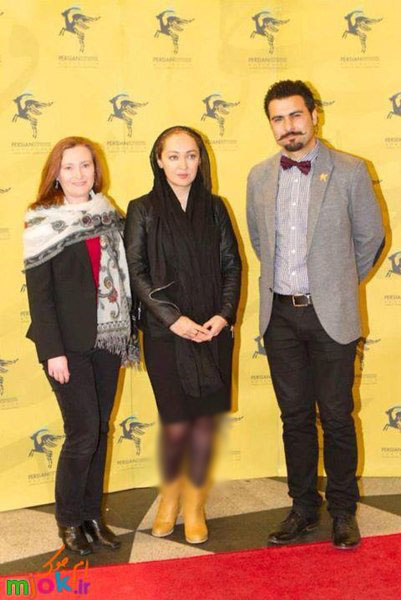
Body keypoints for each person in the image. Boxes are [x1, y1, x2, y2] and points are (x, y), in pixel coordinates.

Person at [246, 80, 385, 549]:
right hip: (280, 317)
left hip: (331, 316)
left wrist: (335, 283)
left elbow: (371, 239)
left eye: (295, 115)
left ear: (314, 115)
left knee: (338, 416)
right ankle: (303, 507)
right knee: (295, 417)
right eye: (278, 118)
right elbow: (261, 242)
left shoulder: (350, 170)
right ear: (271, 125)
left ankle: (343, 511)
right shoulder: (259, 176)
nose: (288, 126)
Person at [124, 125, 241, 544]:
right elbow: (136, 271)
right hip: (166, 333)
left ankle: (193, 503)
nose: (183, 165)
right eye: (173, 156)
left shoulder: (216, 207)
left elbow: (232, 265)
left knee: (203, 422)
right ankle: (169, 497)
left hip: (211, 331)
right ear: (159, 161)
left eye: (191, 155)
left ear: (200, 159)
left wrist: (223, 316)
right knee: (175, 421)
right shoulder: (142, 209)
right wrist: (173, 319)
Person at [24, 136, 137, 555]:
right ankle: (69, 519)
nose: (78, 174)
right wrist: (52, 351)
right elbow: (40, 297)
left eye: (85, 165)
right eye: (68, 167)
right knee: (83, 431)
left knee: (101, 429)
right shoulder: (42, 222)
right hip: (65, 346)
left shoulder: (111, 216)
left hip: (108, 339)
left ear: (96, 169)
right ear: (56, 173)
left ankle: (92, 516)